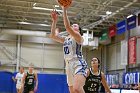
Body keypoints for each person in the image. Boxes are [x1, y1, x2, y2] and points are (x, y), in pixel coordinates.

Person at [49, 7, 87, 93]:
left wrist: (64, 9)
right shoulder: (66, 39)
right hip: (68, 65)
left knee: (77, 88)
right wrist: (54, 21)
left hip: (78, 63)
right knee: (73, 91)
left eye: (75, 25)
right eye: (73, 25)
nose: (73, 26)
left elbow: (67, 27)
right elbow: (53, 36)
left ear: (79, 30)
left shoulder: (78, 37)